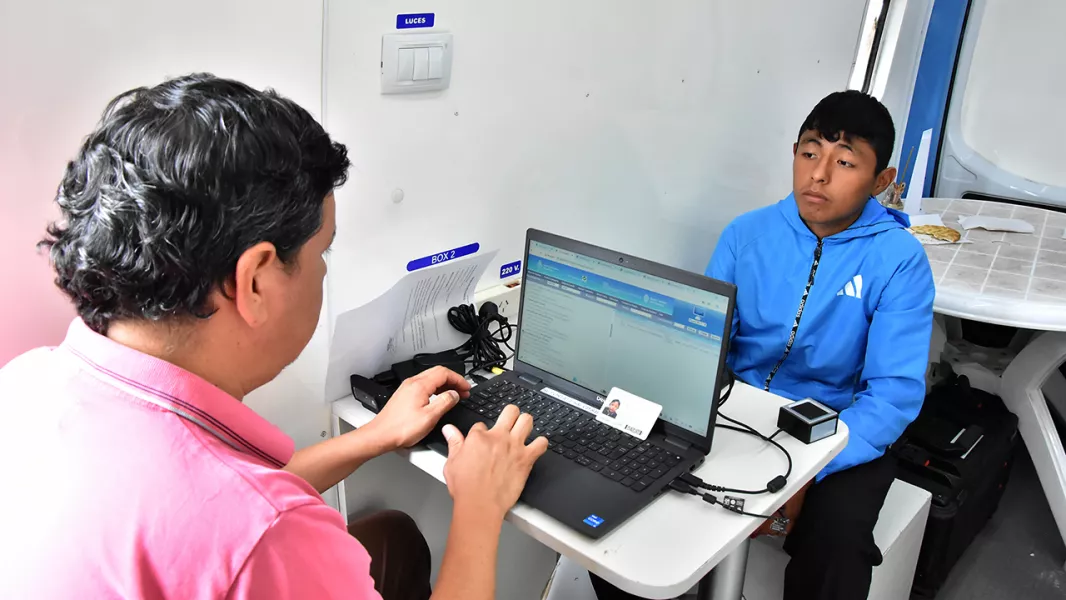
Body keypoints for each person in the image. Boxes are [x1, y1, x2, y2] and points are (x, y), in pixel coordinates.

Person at [0, 74, 547, 600]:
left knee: (393, 541)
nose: (324, 271)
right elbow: (249, 523)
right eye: (322, 251)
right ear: (257, 280)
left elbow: (218, 503)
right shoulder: (264, 533)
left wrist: (376, 435)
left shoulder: (27, 380)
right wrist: (479, 506)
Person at [590, 91, 934, 599]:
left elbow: (892, 394)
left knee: (839, 541)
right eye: (809, 153)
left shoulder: (898, 260)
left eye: (845, 162)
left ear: (881, 180)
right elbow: (705, 343)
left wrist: (808, 471)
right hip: (738, 409)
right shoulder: (746, 234)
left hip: (840, 429)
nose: (819, 175)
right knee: (617, 492)